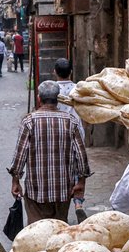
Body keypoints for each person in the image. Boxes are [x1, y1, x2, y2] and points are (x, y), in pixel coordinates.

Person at [8, 80, 90, 223]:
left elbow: (19, 156)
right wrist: (81, 181)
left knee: (37, 230)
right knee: (59, 229)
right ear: (58, 99)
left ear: (39, 98)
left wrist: (15, 181)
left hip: (36, 190)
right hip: (63, 191)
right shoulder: (71, 121)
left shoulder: (29, 121)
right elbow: (81, 156)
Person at [52, 58, 87, 219]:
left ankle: (61, 200)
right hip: (77, 131)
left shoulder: (51, 90)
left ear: (55, 72)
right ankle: (78, 203)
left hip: (58, 132)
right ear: (71, 72)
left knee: (61, 167)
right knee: (78, 165)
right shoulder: (78, 89)